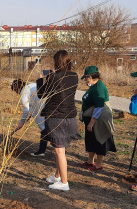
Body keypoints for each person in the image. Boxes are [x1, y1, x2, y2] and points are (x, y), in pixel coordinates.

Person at [37, 50, 81, 191]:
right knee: (60, 148)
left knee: (59, 151)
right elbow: (63, 83)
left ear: (57, 61)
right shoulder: (74, 76)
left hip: (56, 117)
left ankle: (64, 183)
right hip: (70, 117)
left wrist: (41, 79)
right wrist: (53, 76)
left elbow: (40, 94)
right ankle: (57, 176)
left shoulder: (54, 77)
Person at [79, 66, 116, 171]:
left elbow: (99, 106)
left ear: (90, 77)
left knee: (99, 141)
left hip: (98, 120)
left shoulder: (99, 88)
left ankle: (99, 165)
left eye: (86, 78)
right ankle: (90, 162)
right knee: (91, 140)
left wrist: (91, 122)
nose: (85, 80)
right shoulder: (93, 86)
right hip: (91, 119)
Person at [10, 79, 47, 156]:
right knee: (48, 129)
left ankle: (42, 151)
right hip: (48, 106)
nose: (16, 93)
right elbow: (30, 109)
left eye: (15, 91)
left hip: (41, 109)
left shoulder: (23, 92)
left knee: (45, 130)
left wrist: (21, 123)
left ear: (17, 88)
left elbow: (26, 110)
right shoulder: (32, 85)